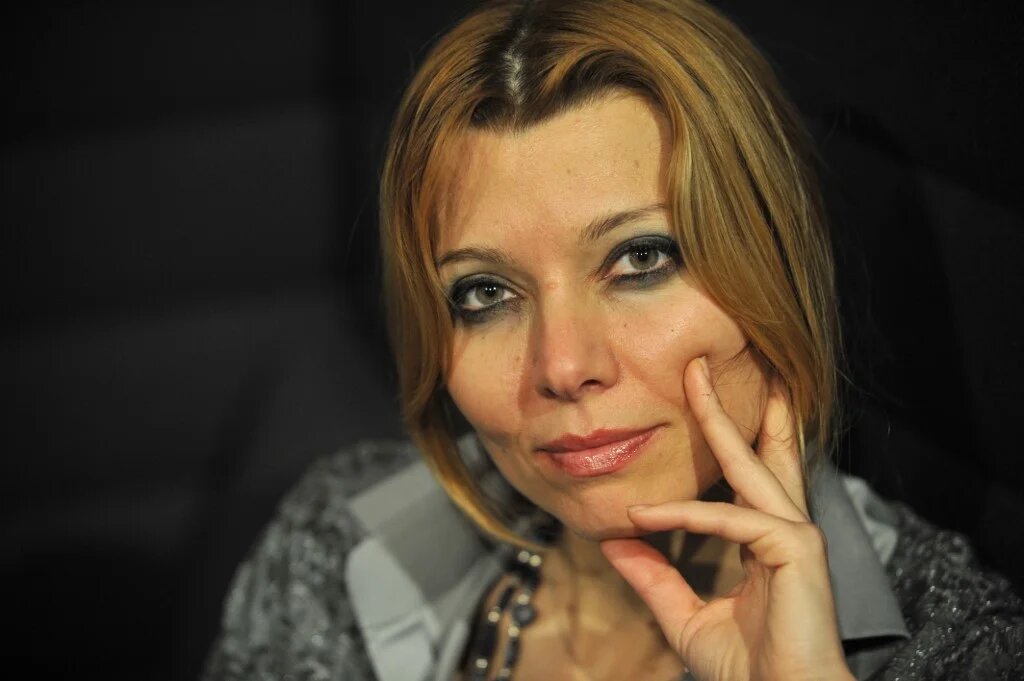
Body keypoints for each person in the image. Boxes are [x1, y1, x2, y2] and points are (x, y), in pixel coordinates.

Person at [201, 0, 1024, 679]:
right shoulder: (333, 550)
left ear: (775, 266)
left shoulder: (961, 645)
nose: (563, 366)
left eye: (641, 258)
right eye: (485, 293)